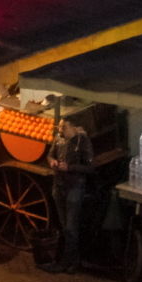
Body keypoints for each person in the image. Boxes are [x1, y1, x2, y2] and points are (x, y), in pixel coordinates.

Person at [44, 115, 93, 272]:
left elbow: (90, 167)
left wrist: (70, 168)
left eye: (63, 127)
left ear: (73, 128)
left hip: (74, 188)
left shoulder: (82, 142)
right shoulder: (58, 139)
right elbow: (50, 154)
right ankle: (72, 261)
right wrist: (52, 162)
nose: (60, 130)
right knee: (65, 226)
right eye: (59, 127)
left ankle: (66, 262)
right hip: (59, 186)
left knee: (71, 227)